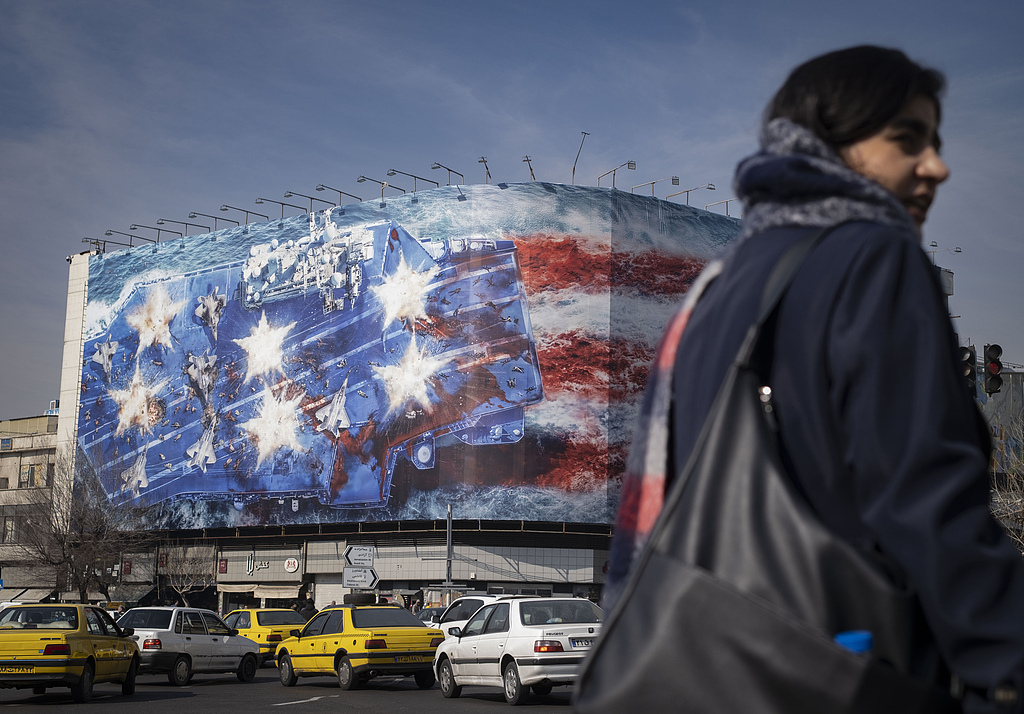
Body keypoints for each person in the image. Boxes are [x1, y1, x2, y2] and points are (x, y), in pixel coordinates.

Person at [607, 46, 1024, 713]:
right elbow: (927, 495)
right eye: (907, 139)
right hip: (849, 668)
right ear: (834, 143)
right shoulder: (874, 256)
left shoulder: (720, 284)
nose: (937, 167)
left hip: (723, 666)